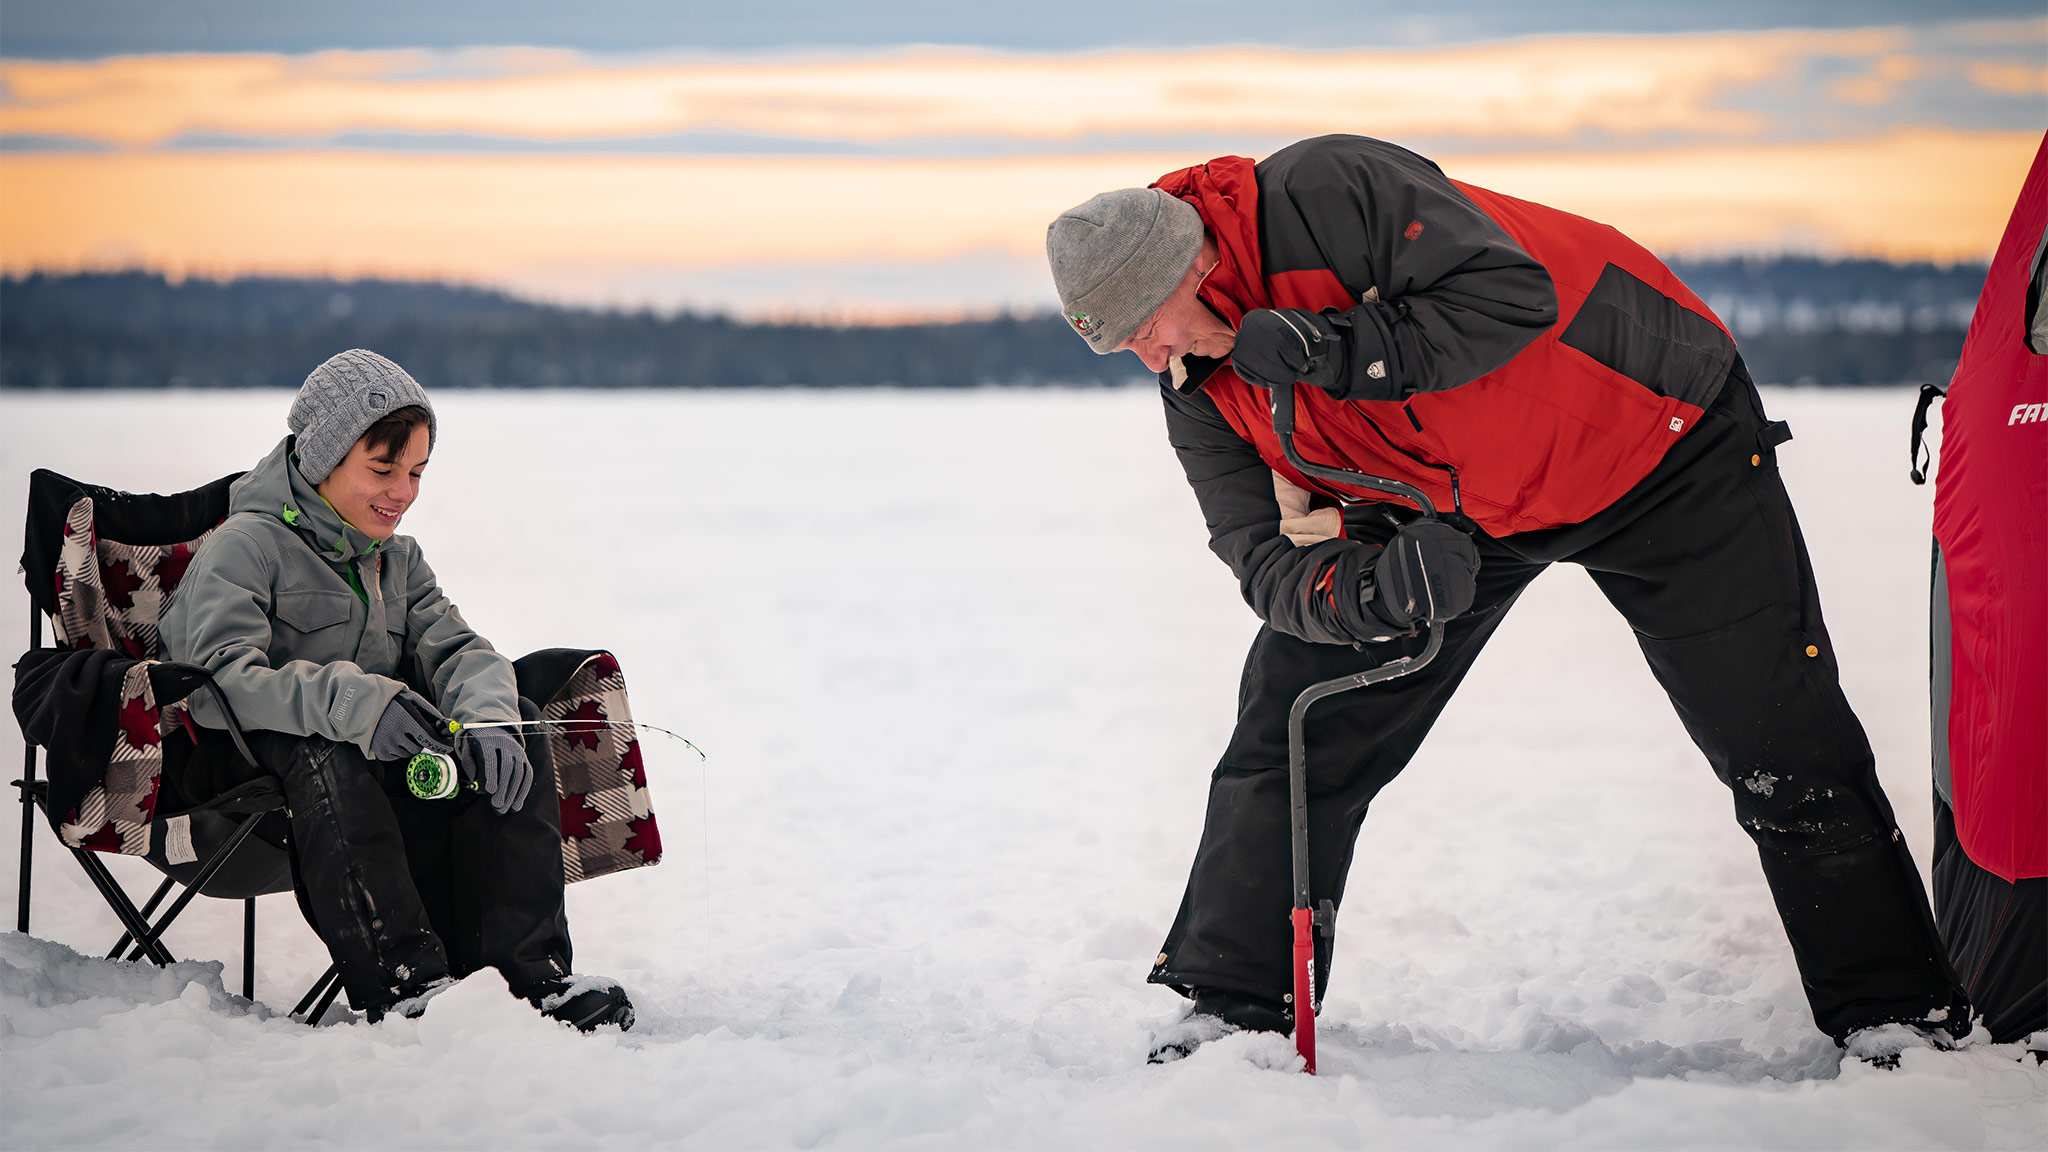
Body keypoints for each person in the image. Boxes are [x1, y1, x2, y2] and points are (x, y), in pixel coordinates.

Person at [1044, 135, 1971, 1064]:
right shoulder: (1198, 383)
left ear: (1193, 263)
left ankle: (1896, 1016)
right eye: (1122, 344)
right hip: (1447, 503)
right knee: (1296, 724)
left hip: (1656, 437)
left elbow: (1509, 294)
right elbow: (1266, 560)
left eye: (1147, 322)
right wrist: (1372, 591)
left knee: (1779, 740)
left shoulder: (1324, 193)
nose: (1148, 353)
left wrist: (1330, 350)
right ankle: (1235, 1009)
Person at [161, 349, 634, 1030]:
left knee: (516, 717)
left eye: (416, 472)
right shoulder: (246, 547)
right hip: (238, 797)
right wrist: (359, 705)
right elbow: (214, 683)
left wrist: (489, 720)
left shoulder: (397, 562)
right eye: (383, 469)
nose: (403, 492)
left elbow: (461, 651)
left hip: (385, 788)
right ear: (323, 458)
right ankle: (409, 984)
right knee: (326, 748)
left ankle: (528, 976)